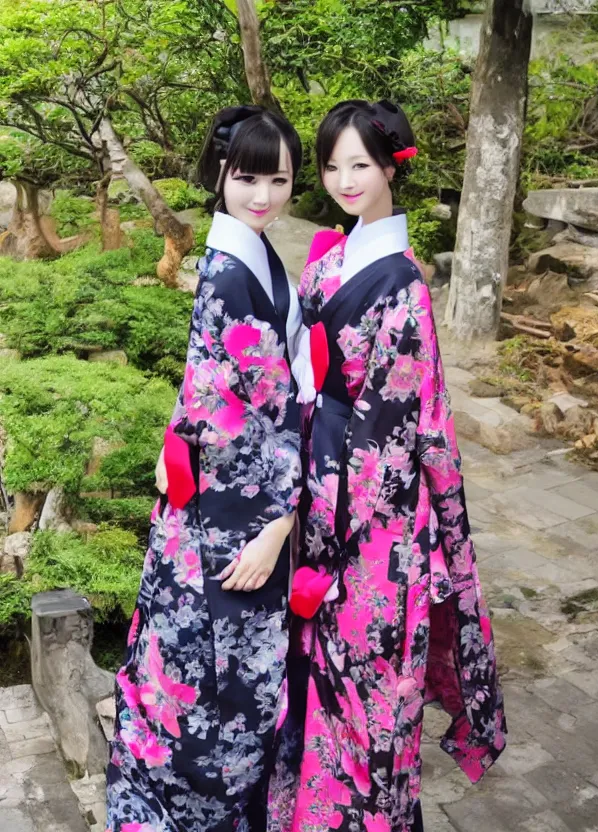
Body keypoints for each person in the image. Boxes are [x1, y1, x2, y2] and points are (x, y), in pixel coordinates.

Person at [268, 99, 506, 832]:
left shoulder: (404, 285)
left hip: (374, 524)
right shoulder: (333, 257)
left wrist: (327, 511)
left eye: (359, 165)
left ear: (391, 164)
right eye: (333, 165)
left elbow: (395, 429)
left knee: (370, 688)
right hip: (318, 488)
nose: (344, 180)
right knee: (313, 678)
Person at [106, 105, 305, 832]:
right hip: (227, 527)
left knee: (209, 698)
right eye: (247, 177)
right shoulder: (228, 271)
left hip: (227, 508)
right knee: (217, 704)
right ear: (220, 173)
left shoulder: (246, 252)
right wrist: (282, 521)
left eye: (278, 179)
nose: (262, 195)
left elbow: (218, 395)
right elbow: (262, 410)